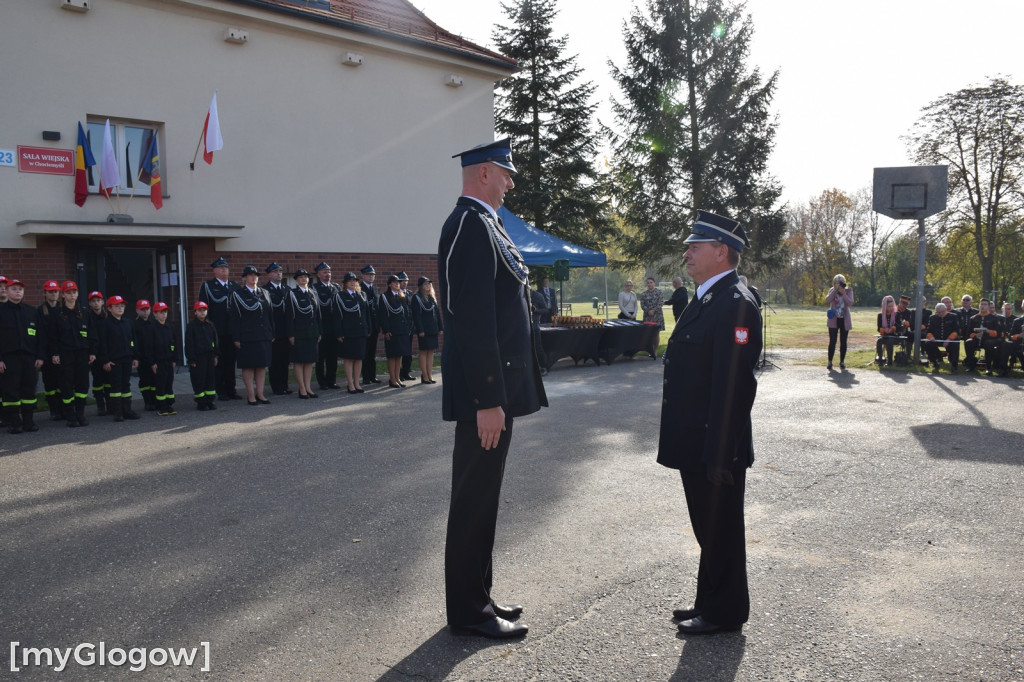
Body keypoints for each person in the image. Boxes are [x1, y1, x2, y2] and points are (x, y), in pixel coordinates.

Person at [439, 138, 548, 639]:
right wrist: (487, 399)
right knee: (473, 499)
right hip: (485, 395)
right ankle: (468, 611)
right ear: (483, 172)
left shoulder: (486, 225)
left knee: (485, 496)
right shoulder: (468, 225)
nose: (510, 182)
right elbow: (474, 322)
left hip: (496, 392)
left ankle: (478, 596)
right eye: (505, 173)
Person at [658, 210, 762, 635]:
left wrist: (722, 449)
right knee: (709, 527)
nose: (687, 253)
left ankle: (725, 612)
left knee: (721, 529)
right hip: (697, 439)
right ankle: (711, 601)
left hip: (714, 443)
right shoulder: (709, 296)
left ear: (721, 252)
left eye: (695, 246)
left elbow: (736, 384)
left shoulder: (735, 301)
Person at [49, 281, 97, 427]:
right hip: (65, 355)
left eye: (74, 292)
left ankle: (80, 414)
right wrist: (55, 353)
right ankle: (70, 415)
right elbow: (52, 337)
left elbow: (92, 334)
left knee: (82, 385)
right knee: (67, 385)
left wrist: (93, 352)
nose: (72, 295)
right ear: (63, 295)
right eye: (68, 292)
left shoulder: (84, 313)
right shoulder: (57, 314)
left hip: (82, 354)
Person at [0, 279, 44, 434]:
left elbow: (40, 336)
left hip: (29, 358)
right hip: (9, 358)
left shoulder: (31, 311)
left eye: (20, 289)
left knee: (28, 392)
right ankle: (14, 422)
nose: (18, 292)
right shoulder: (1, 311)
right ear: (7, 291)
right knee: (11, 391)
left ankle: (29, 422)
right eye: (14, 289)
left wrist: (40, 356)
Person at [230, 265, 275, 405]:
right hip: (247, 336)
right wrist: (236, 337)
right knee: (249, 366)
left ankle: (260, 393)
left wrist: (271, 332)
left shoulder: (264, 293)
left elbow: (270, 315)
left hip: (263, 335)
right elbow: (234, 318)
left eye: (255, 275)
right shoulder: (238, 294)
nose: (253, 277)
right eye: (250, 275)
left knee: (261, 365)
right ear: (244, 278)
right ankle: (251, 395)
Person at [198, 257, 241, 401]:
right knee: (219, 362)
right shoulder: (208, 286)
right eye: (221, 267)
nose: (224, 270)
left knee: (230, 362)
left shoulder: (234, 286)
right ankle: (220, 389)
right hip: (216, 330)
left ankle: (231, 389)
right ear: (214, 270)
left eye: (226, 267)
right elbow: (203, 309)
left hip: (232, 331)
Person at [98, 295, 140, 422]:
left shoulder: (128, 322)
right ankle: (117, 412)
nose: (120, 308)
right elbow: (103, 343)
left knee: (126, 385)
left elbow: (133, 341)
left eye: (122, 306)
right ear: (109, 308)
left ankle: (127, 410)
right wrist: (105, 360)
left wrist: (135, 356)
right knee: (115, 387)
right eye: (117, 306)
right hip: (114, 360)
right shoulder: (105, 324)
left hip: (127, 359)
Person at [286, 268, 322, 399]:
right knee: (299, 361)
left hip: (312, 332)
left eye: (306, 277)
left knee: (309, 361)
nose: (303, 279)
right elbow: (289, 316)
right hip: (298, 333)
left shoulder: (313, 293)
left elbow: (317, 314)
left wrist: (319, 331)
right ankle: (301, 388)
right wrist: (290, 334)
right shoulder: (292, 294)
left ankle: (308, 387)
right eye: (300, 277)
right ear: (295, 280)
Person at [336, 272, 369, 394]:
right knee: (349, 358)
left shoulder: (362, 295)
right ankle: (350, 384)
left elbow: (366, 314)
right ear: (345, 284)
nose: (352, 282)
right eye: (349, 281)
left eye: (354, 280)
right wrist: (339, 333)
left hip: (360, 331)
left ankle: (357, 382)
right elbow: (337, 316)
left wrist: (367, 328)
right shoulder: (340, 296)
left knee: (359, 358)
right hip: (348, 332)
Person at [379, 274, 413, 388]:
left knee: (399, 356)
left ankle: (398, 377)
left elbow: (407, 312)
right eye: (394, 282)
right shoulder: (384, 297)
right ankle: (392, 379)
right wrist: (386, 330)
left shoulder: (402, 296)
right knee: (392, 356)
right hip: (392, 330)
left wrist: (408, 327)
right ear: (389, 284)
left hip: (402, 329)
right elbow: (383, 315)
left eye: (398, 282)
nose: (397, 284)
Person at [37, 279, 64, 420]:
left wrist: (59, 353)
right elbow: (40, 336)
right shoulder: (40, 311)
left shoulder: (63, 310)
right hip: (47, 354)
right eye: (50, 292)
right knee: (50, 384)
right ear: (45, 293)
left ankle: (64, 409)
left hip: (63, 353)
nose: (53, 294)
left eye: (55, 291)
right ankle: (54, 410)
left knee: (63, 383)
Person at [185, 300, 219, 411]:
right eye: (200, 311)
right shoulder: (191, 326)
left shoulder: (210, 324)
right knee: (199, 379)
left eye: (204, 310)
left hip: (209, 356)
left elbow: (215, 340)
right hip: (198, 358)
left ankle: (210, 400)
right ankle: (201, 402)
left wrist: (215, 355)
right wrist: (191, 359)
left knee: (210, 379)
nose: (202, 313)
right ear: (195, 312)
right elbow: (189, 343)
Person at [312, 262, 341, 390]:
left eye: (329, 271)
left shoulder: (336, 287)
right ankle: (322, 382)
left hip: (334, 328)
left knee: (333, 357)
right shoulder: (314, 288)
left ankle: (331, 380)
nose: (327, 274)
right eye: (324, 272)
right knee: (320, 357)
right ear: (318, 275)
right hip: (321, 328)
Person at [265, 262, 292, 395]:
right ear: (269, 275)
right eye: (275, 272)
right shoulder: (265, 290)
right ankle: (276, 386)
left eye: (280, 271)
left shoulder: (287, 289)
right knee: (275, 361)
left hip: (286, 331)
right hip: (274, 331)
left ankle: (285, 384)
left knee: (285, 360)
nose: (278, 274)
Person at [411, 276, 442, 384]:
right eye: (425, 284)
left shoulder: (432, 297)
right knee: (424, 352)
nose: (427, 286)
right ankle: (424, 376)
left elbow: (437, 314)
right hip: (424, 329)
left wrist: (440, 327)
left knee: (431, 352)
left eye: (429, 284)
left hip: (433, 328)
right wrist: (420, 330)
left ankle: (429, 375)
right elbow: (416, 316)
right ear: (420, 286)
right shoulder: (416, 298)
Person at [86, 291, 111, 416]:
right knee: (97, 381)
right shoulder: (87, 317)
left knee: (109, 380)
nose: (96, 303)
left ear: (102, 302)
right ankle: (100, 405)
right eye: (93, 301)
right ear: (90, 303)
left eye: (98, 300)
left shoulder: (108, 317)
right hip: (94, 354)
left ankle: (110, 404)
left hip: (107, 353)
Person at [965, 299, 1003, 375]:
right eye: (981, 304)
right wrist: (976, 335)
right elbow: (968, 333)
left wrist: (988, 331)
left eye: (985, 304)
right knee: (968, 342)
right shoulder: (973, 318)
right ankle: (971, 365)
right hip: (977, 339)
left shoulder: (994, 318)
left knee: (988, 343)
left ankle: (988, 367)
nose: (982, 306)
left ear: (989, 307)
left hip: (990, 339)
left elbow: (999, 333)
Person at [359, 265, 382, 385]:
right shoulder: (360, 289)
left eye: (372, 274)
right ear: (363, 276)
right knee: (365, 352)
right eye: (368, 274)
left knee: (372, 353)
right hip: (366, 325)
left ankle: (373, 376)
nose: (371, 276)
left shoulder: (375, 289)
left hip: (375, 325)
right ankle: (366, 377)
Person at [825, 274, 853, 370]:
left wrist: (843, 293)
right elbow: (828, 299)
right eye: (836, 282)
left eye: (839, 282)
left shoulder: (848, 291)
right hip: (834, 319)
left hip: (844, 319)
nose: (838, 284)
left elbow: (850, 303)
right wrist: (835, 290)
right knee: (832, 341)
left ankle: (842, 361)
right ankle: (830, 362)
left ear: (843, 282)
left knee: (843, 341)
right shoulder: (832, 290)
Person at [133, 299, 157, 411]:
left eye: (147, 309)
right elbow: (135, 343)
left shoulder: (154, 323)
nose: (145, 312)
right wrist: (136, 357)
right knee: (144, 381)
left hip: (153, 357)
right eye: (142, 310)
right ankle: (147, 401)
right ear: (137, 310)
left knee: (154, 380)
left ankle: (154, 400)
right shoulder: (135, 325)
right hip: (142, 358)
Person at [924, 303, 960, 372]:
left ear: (946, 310)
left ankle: (954, 365)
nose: (940, 314)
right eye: (938, 312)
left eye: (942, 312)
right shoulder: (932, 318)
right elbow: (928, 331)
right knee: (928, 344)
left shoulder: (953, 316)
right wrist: (931, 337)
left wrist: (949, 339)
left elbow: (956, 331)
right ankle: (935, 362)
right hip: (936, 339)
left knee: (955, 345)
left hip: (950, 339)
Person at [397, 272, 417, 382]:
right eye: (402, 280)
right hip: (401, 327)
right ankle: (399, 373)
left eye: (406, 280)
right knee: (401, 351)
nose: (405, 282)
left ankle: (406, 372)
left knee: (408, 352)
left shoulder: (409, 293)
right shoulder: (396, 294)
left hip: (409, 327)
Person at [955, 294, 979, 368]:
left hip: (970, 332)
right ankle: (954, 360)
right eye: (963, 300)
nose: (965, 301)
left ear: (971, 302)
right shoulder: (956, 311)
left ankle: (969, 359)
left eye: (967, 300)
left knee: (969, 341)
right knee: (955, 341)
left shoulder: (976, 312)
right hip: (958, 331)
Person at [876, 295, 900, 366]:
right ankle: (880, 360)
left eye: (892, 306)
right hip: (885, 336)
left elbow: (899, 327)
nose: (891, 308)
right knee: (879, 341)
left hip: (895, 336)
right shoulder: (880, 315)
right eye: (889, 306)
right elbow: (878, 328)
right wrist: (884, 330)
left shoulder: (897, 314)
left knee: (890, 341)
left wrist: (892, 328)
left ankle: (890, 361)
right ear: (884, 306)